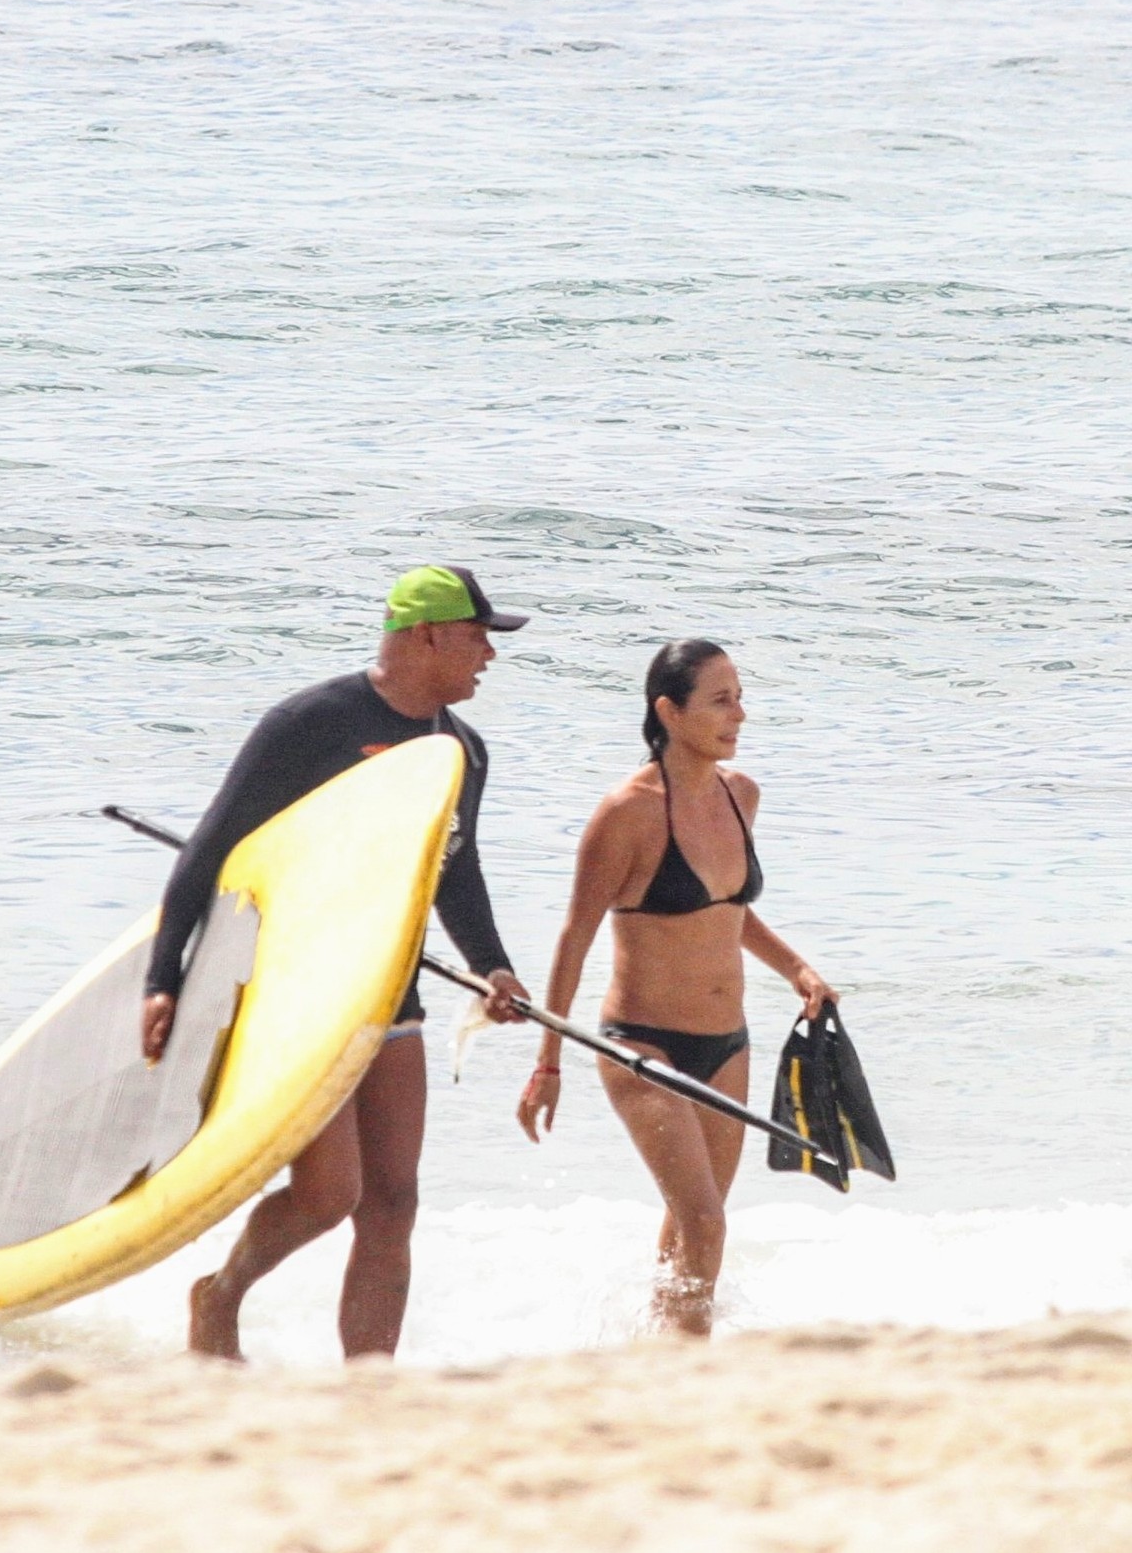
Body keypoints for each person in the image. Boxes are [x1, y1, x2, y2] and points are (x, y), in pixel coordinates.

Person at [142, 565, 531, 1360]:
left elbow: (455, 868)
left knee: (394, 1201)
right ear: (425, 634)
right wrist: (162, 979)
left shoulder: (461, 750)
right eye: (475, 636)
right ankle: (219, 1293)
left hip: (391, 988)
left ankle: (369, 1380)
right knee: (328, 1196)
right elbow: (209, 850)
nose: (488, 654)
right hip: (294, 992)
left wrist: (493, 965)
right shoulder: (310, 722)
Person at [516, 639, 837, 1336]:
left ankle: (658, 1344)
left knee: (693, 1220)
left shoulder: (739, 794)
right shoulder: (626, 813)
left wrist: (797, 969)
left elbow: (728, 908)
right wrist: (548, 1062)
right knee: (705, 1221)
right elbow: (574, 936)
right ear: (669, 710)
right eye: (721, 700)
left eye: (740, 696)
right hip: (642, 1047)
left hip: (727, 1045)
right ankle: (690, 1366)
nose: (739, 714)